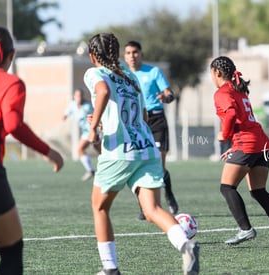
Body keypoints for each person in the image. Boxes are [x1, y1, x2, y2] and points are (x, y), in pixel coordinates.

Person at [84, 32, 199, 275]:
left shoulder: (95, 72)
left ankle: (110, 269)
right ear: (117, 54)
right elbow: (143, 117)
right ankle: (185, 245)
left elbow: (103, 92)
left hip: (120, 152)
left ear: (93, 56)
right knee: (152, 210)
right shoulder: (131, 79)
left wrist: (94, 126)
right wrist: (107, 119)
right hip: (146, 150)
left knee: (100, 208)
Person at [0, 26, 64, 274]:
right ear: (12, 55)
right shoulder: (10, 84)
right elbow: (12, 124)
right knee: (11, 251)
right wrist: (48, 151)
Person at [210, 56, 269, 246]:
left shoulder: (222, 92)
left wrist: (224, 135)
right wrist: (233, 146)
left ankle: (245, 230)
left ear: (217, 72)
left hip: (247, 143)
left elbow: (231, 114)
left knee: (226, 187)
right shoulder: (238, 90)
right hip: (261, 143)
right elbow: (245, 120)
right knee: (258, 191)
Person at [123, 41, 178, 220]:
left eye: (135, 52)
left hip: (155, 120)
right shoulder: (122, 75)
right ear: (124, 56)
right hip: (135, 122)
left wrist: (166, 97)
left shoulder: (153, 72)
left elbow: (170, 94)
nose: (132, 56)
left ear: (141, 54)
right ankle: (144, 207)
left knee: (159, 166)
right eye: (128, 53)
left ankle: (168, 194)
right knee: (137, 165)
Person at [63, 88, 100, 181]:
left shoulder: (87, 106)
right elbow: (65, 114)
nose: (79, 98)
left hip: (92, 131)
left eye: (80, 96)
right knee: (96, 150)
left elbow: (96, 116)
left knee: (81, 149)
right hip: (85, 133)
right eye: (77, 96)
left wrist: (95, 129)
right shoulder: (72, 105)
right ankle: (91, 170)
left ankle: (91, 170)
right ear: (74, 97)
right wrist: (64, 117)